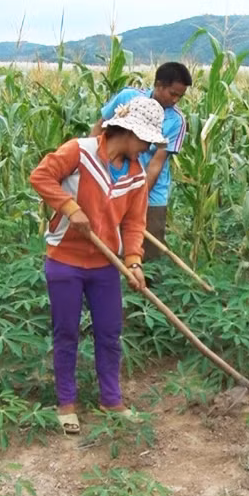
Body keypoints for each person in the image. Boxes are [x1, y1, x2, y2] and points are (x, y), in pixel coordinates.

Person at [30, 96, 167, 434]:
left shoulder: (135, 176)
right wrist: (70, 208)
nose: (147, 148)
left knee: (109, 332)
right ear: (129, 132)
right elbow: (41, 176)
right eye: (146, 141)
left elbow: (135, 223)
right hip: (65, 260)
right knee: (66, 333)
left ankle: (111, 398)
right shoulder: (80, 152)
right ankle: (66, 403)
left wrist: (134, 262)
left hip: (106, 265)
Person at [91, 61, 192, 268]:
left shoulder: (176, 121)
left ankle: (144, 291)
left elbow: (156, 164)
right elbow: (99, 128)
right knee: (108, 247)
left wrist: (134, 201)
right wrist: (88, 165)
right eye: (173, 93)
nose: (175, 100)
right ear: (158, 85)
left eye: (180, 96)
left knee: (148, 254)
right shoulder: (128, 98)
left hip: (150, 192)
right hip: (110, 181)